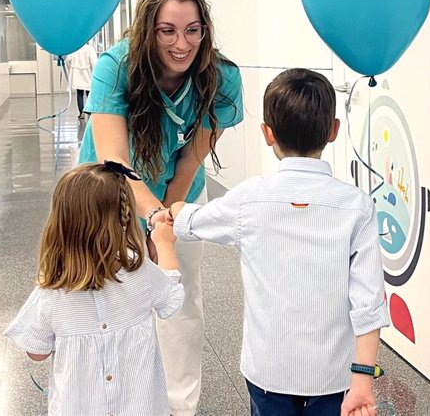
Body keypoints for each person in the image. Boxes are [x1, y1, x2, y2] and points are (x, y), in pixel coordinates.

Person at [154, 68, 390, 416]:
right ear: (333, 131)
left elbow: (188, 221)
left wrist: (172, 208)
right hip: (334, 375)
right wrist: (364, 381)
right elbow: (369, 302)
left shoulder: (249, 199)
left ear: (268, 133)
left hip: (267, 370)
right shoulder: (357, 206)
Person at [78, 0, 244, 416]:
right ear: (148, 28)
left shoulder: (221, 77)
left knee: (179, 296)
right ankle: (106, 400)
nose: (181, 44)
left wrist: (166, 220)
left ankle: (179, 406)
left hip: (178, 189)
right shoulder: (116, 67)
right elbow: (115, 162)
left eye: (192, 31)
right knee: (107, 294)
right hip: (107, 191)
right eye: (167, 31)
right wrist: (152, 220)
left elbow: (191, 161)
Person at [4, 161, 184, 416]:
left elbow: (36, 352)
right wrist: (164, 243)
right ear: (124, 220)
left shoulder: (51, 291)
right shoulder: (138, 271)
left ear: (60, 226)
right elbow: (172, 298)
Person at [65, 41, 98, 119]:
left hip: (77, 75)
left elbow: (67, 60)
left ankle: (81, 112)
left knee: (79, 94)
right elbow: (94, 62)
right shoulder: (90, 49)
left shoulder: (74, 49)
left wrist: (71, 69)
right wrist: (95, 73)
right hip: (88, 74)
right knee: (89, 93)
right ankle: (89, 110)